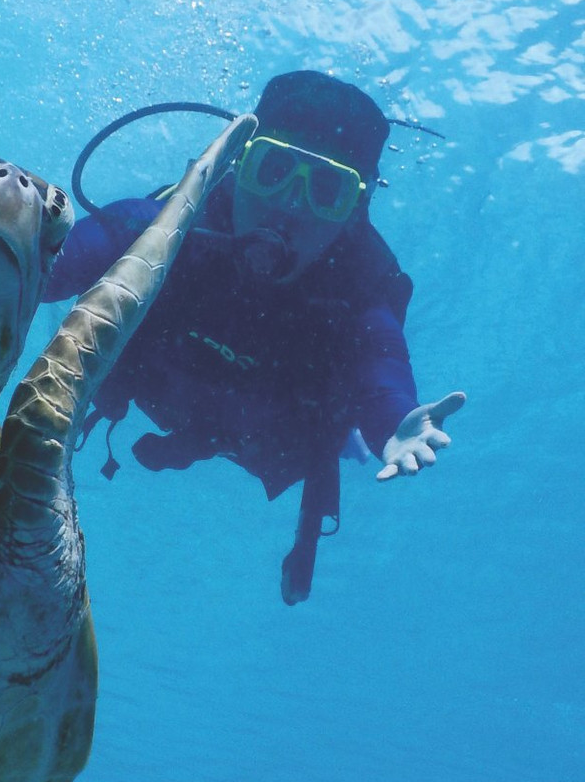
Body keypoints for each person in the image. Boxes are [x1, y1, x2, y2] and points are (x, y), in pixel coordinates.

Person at [45, 70, 466, 603]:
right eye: (273, 169)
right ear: (239, 165)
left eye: (327, 190)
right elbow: (52, 264)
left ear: (354, 210)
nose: (290, 205)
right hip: (170, 395)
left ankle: (354, 444)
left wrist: (391, 426)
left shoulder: (360, 285)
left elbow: (379, 364)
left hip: (276, 431)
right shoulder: (171, 222)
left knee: (349, 437)